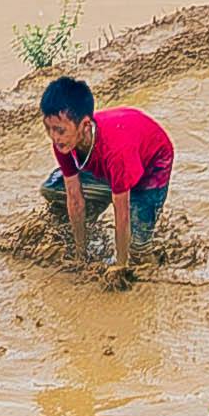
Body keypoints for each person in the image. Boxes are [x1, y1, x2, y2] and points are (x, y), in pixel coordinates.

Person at [35, 73, 171, 281]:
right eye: (49, 129)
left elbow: (121, 212)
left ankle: (155, 279)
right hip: (113, 163)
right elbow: (74, 197)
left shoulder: (116, 152)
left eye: (60, 130)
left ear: (85, 126)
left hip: (152, 165)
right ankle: (105, 203)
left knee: (139, 250)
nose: (54, 137)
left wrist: (121, 265)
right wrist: (81, 254)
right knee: (53, 190)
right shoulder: (64, 144)